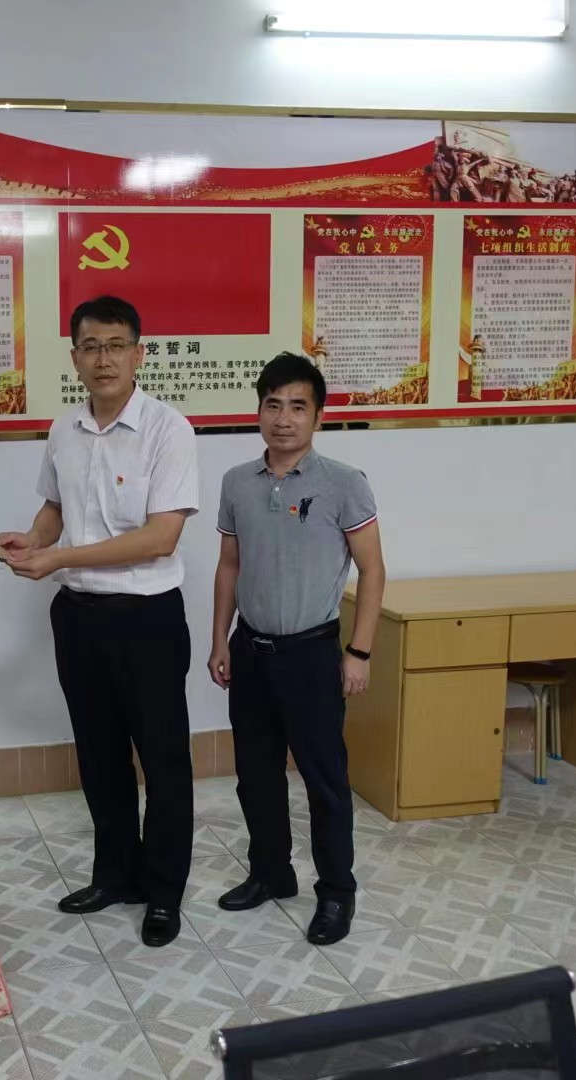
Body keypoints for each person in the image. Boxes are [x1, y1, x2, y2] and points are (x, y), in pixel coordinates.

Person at [0, 295, 199, 948]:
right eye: (91, 346)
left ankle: (162, 891)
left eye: (116, 345)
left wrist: (58, 556)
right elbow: (55, 508)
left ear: (140, 354)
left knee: (163, 760)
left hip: (147, 619)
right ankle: (115, 874)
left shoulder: (169, 430)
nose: (103, 358)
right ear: (75, 357)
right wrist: (33, 540)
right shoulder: (65, 429)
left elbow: (161, 538)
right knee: (99, 755)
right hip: (78, 618)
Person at [208, 352, 385, 946]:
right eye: (273, 405)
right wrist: (220, 640)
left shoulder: (344, 483)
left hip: (312, 653)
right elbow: (229, 565)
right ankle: (271, 872)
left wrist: (359, 652)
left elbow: (373, 569)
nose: (283, 418)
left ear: (318, 416)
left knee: (323, 779)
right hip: (251, 651)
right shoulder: (237, 482)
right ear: (259, 410)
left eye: (297, 407)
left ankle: (336, 892)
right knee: (255, 775)